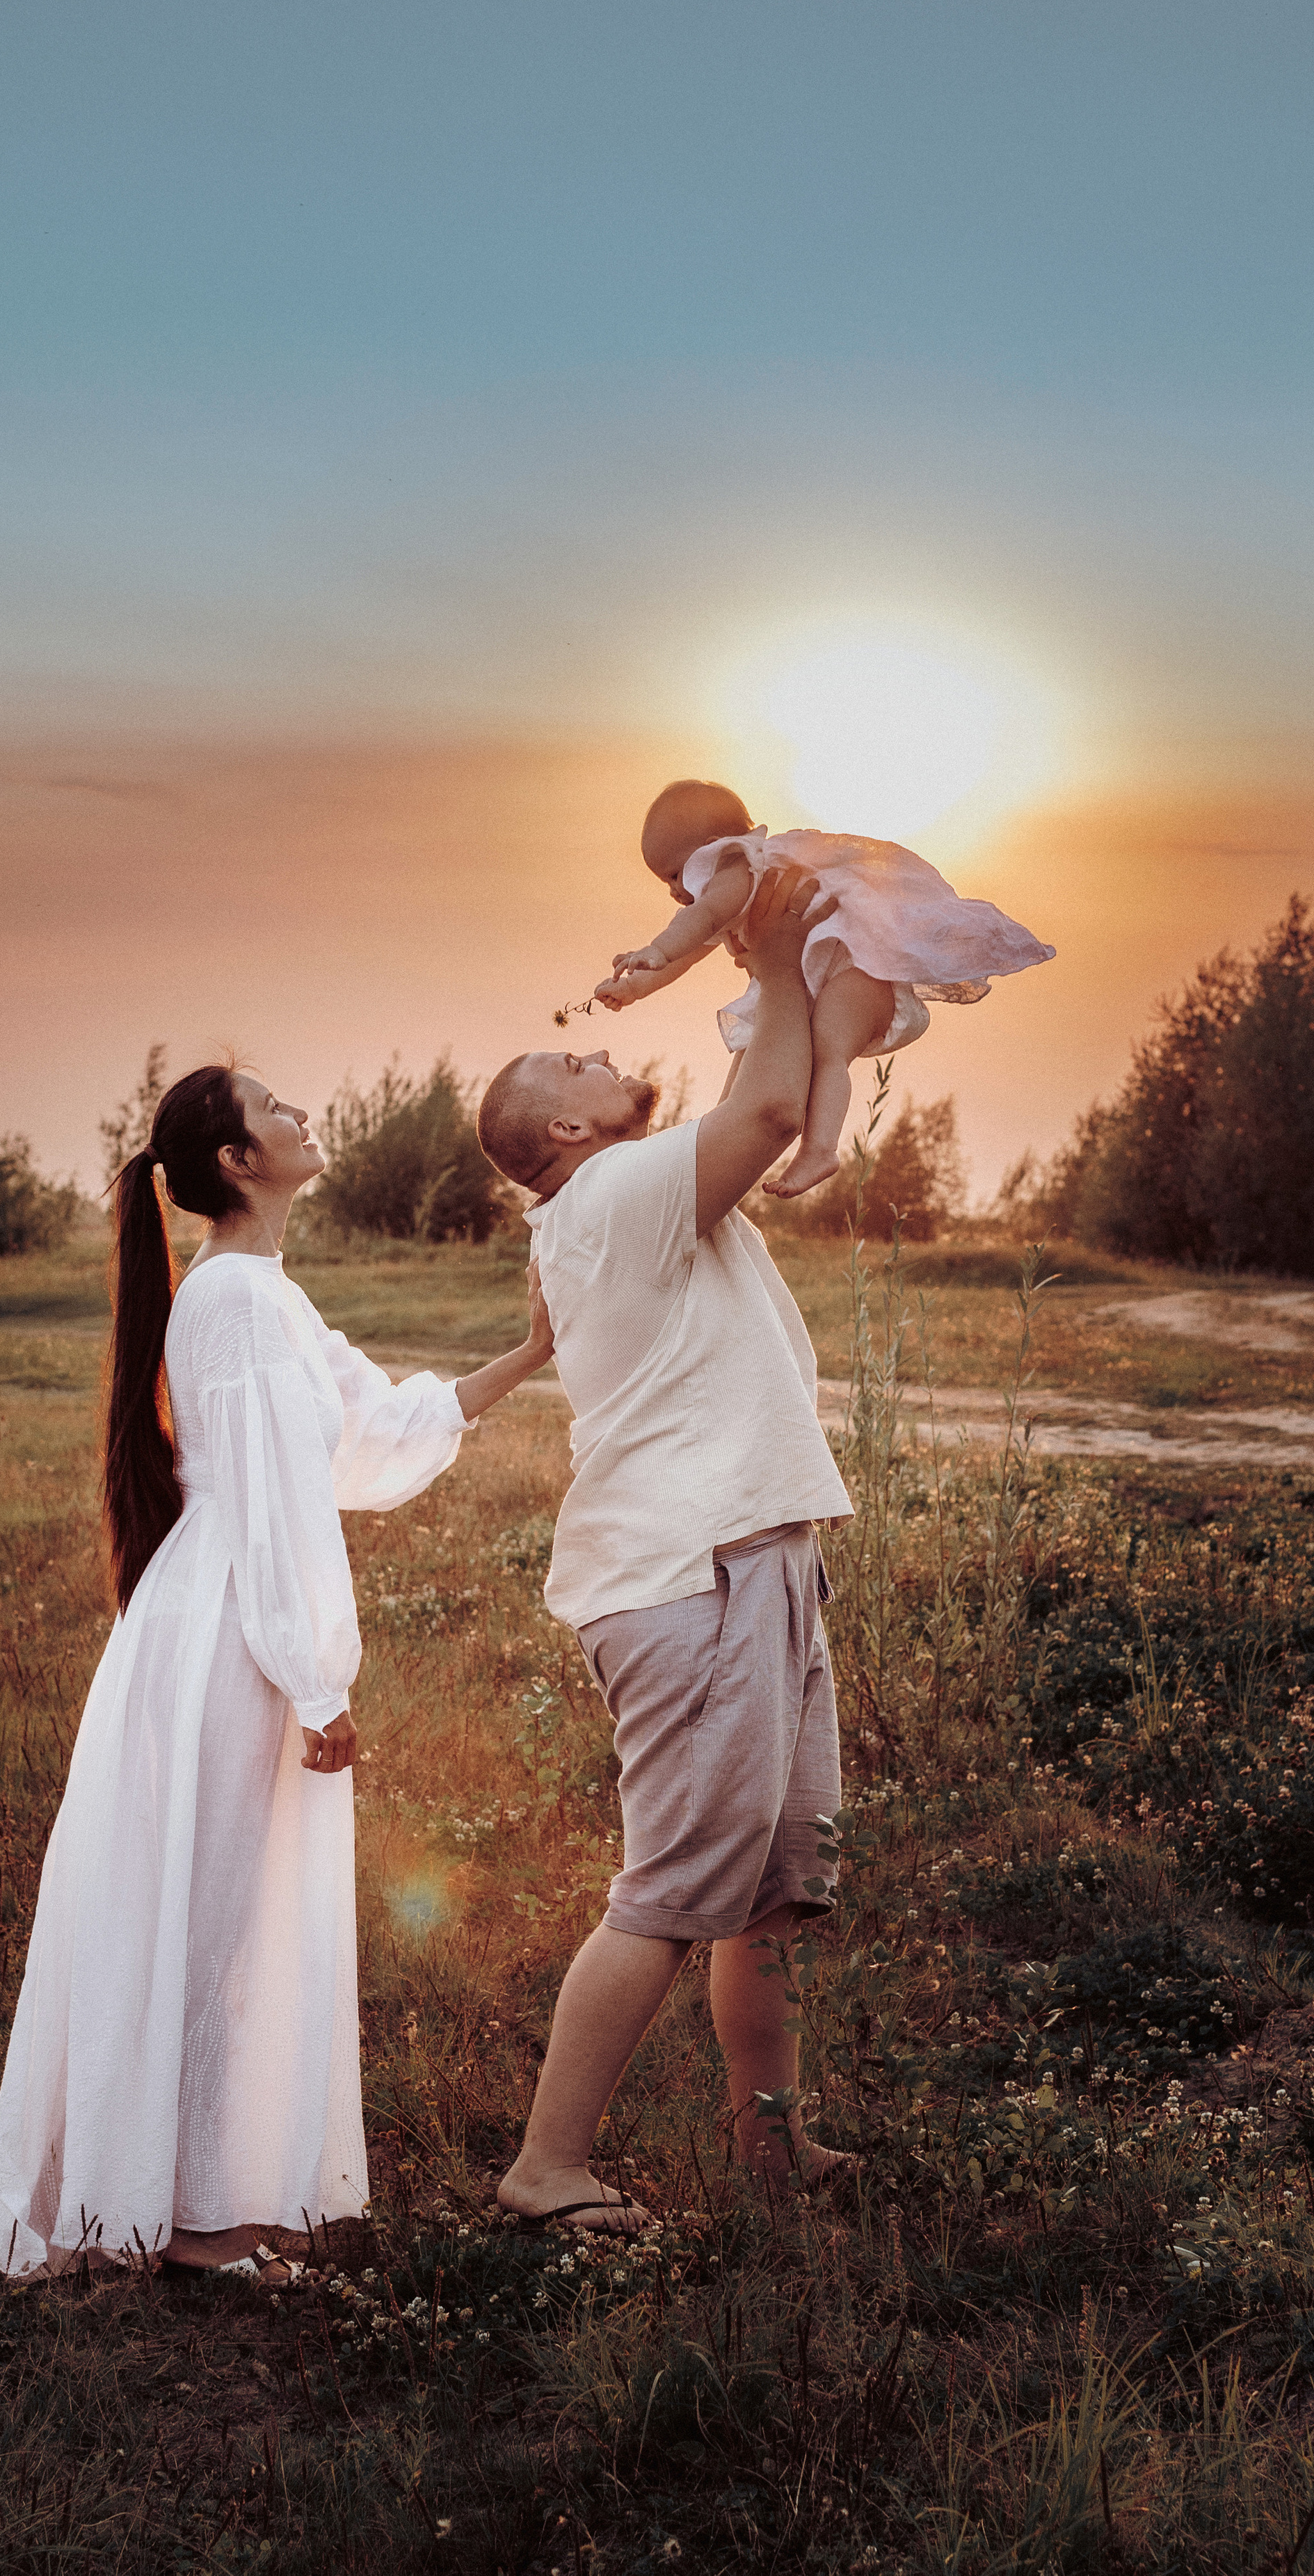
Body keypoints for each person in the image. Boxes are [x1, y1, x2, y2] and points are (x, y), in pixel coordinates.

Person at [0, 1064, 552, 2283]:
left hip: (228, 1625)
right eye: (275, 1103)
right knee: (213, 1918)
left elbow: (367, 1441)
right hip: (230, 1638)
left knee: (226, 1916)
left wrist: (527, 1355)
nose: (301, 1110)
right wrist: (316, 1681)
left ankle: (193, 2195)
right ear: (238, 1160)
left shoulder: (267, 1297)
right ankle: (187, 2220)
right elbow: (265, 1508)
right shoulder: (238, 1301)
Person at [476, 865, 857, 2235]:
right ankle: (545, 2167)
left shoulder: (620, 1204)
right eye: (571, 1057)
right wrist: (758, 958)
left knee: (769, 1893)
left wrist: (802, 975)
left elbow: (787, 1096)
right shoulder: (612, 1194)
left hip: (753, 1556)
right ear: (562, 1127)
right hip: (693, 1577)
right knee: (673, 1892)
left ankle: (770, 2147)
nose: (596, 1045)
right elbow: (763, 1108)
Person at [590, 777, 1054, 1197]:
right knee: (781, 1065)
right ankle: (743, 1163)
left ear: (713, 847)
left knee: (825, 1051)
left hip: (854, 966)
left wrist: (656, 949)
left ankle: (819, 1149)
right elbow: (689, 954)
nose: (674, 892)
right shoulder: (733, 886)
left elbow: (699, 923)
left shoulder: (736, 866)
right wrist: (634, 990)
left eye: (674, 874)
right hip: (818, 980)